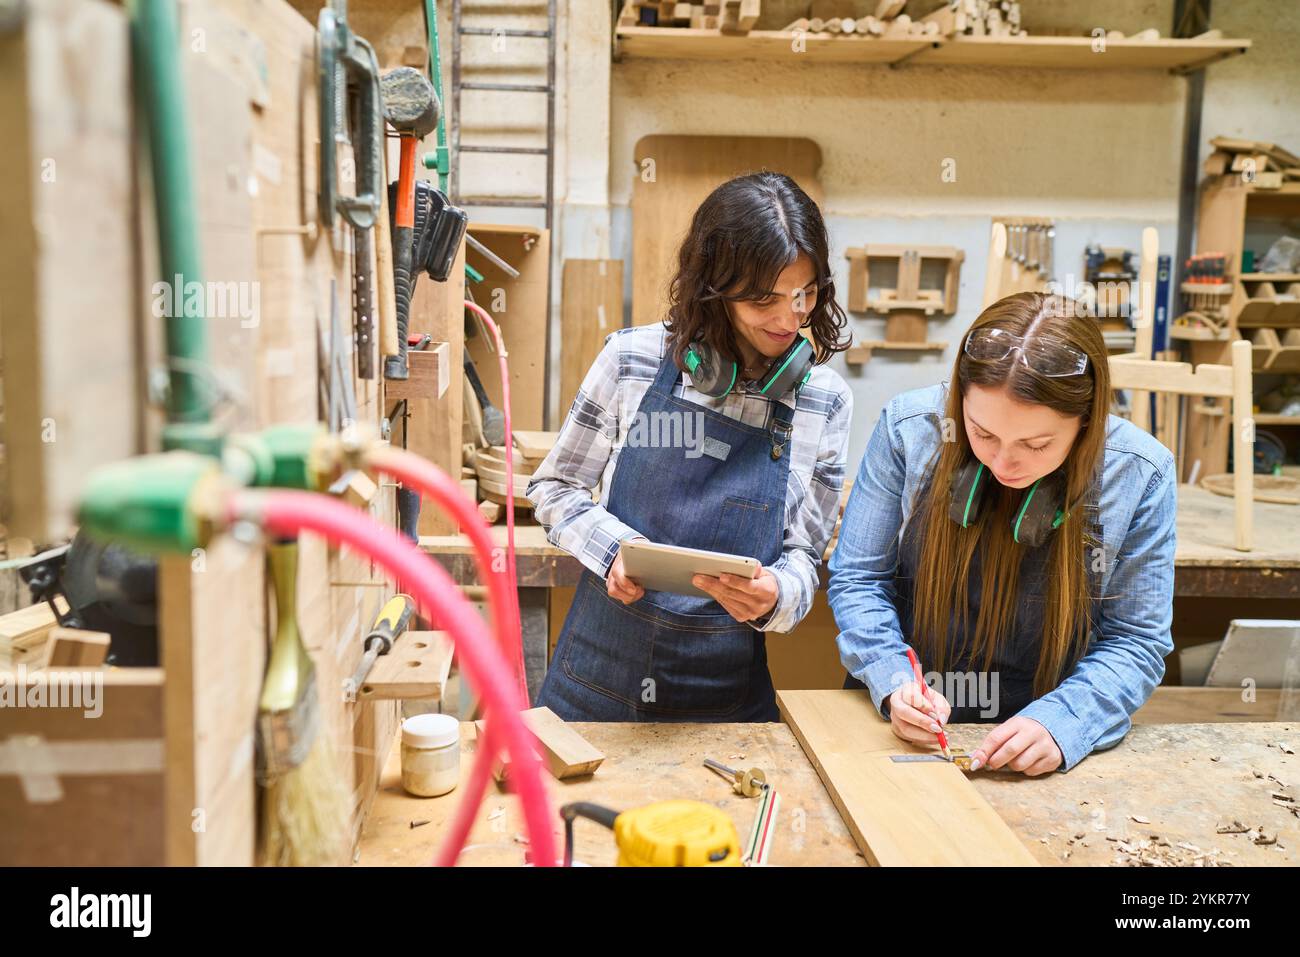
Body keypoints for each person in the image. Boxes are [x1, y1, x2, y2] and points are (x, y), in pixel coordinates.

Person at [528, 171, 853, 721]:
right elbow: (556, 488)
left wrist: (779, 595)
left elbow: (805, 553)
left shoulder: (824, 401)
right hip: (595, 682)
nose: (788, 318)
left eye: (805, 295)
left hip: (724, 696)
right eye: (763, 300)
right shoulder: (632, 360)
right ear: (714, 290)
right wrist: (615, 554)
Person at [829, 292, 1176, 775]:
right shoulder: (910, 429)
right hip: (903, 723)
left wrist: (1063, 722)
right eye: (983, 434)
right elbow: (859, 578)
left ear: (1087, 422)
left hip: (1035, 728)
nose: (1003, 463)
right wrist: (893, 680)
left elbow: (1136, 639)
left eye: (1037, 444)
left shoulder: (1140, 473)